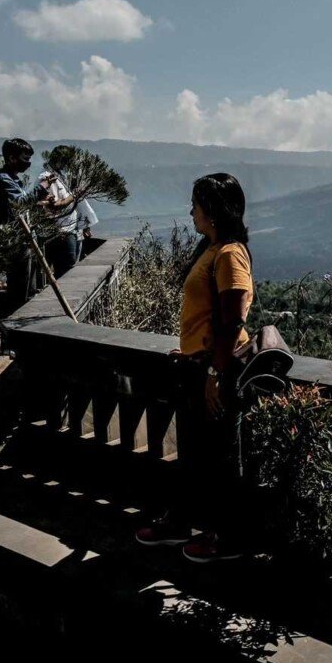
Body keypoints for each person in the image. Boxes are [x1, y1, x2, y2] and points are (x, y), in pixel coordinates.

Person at [135, 173, 254, 563]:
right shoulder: (212, 248)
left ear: (214, 211)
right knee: (194, 453)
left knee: (221, 456)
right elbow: (206, 315)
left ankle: (230, 537)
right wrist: (189, 351)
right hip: (198, 365)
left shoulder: (230, 254)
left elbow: (233, 320)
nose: (191, 212)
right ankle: (182, 522)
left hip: (217, 370)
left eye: (196, 205)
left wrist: (215, 373)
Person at [0, 138, 51, 308]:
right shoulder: (4, 179)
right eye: (25, 158)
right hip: (14, 240)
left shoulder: (13, 179)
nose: (28, 163)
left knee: (28, 288)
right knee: (20, 289)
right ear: (11, 158)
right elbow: (19, 203)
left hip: (22, 237)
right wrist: (41, 187)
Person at [39, 152, 99, 277]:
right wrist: (74, 195)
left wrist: (85, 225)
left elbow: (78, 204)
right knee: (66, 267)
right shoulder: (47, 178)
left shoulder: (64, 177)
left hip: (73, 228)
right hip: (61, 230)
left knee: (72, 265)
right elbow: (54, 205)